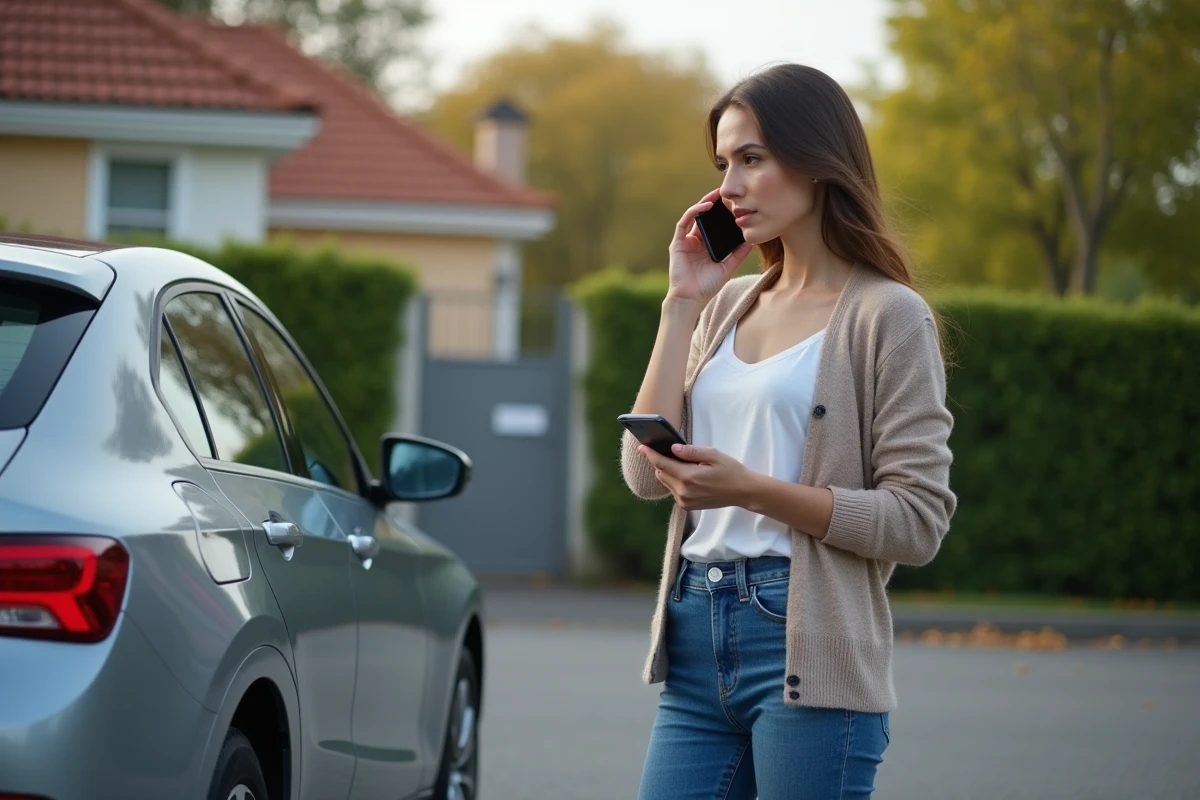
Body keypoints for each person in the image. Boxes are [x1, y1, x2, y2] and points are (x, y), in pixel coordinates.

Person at [622, 63, 958, 800]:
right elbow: (646, 474)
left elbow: (917, 521)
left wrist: (752, 491)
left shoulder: (888, 316)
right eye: (722, 164)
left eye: (752, 159)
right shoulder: (726, 304)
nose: (729, 188)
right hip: (695, 633)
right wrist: (681, 302)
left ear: (818, 161)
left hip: (808, 644)